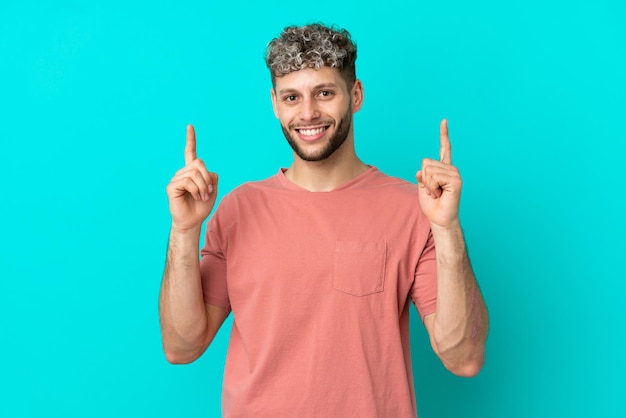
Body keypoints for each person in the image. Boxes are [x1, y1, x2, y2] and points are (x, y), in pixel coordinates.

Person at [159, 23, 488, 417]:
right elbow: (182, 347)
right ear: (275, 104)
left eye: (325, 93)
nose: (308, 113)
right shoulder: (237, 210)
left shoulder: (412, 209)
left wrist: (448, 229)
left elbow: (463, 357)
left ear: (356, 95)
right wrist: (184, 230)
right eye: (292, 97)